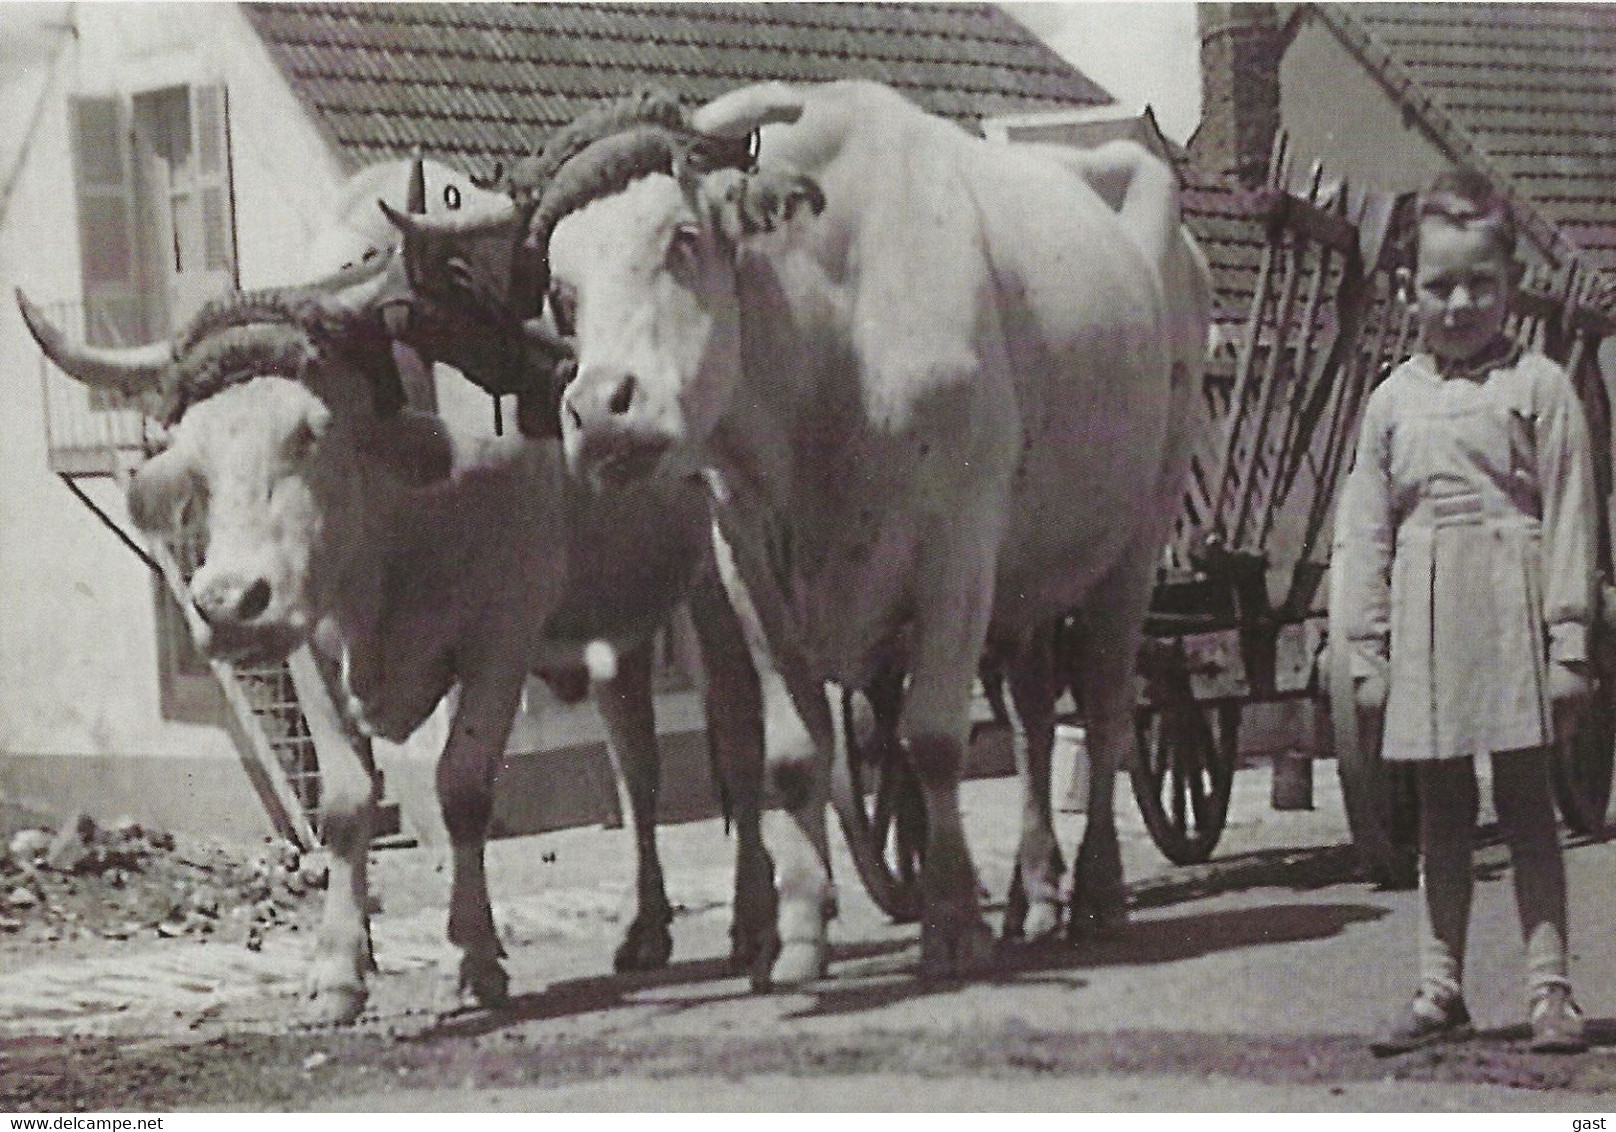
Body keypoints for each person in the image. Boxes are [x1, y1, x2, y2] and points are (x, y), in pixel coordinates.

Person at [1334, 170, 1596, 1055]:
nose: (1460, 303)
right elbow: (1365, 532)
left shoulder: (1543, 389)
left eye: (1480, 283)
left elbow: (1568, 519)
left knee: (1527, 805)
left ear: (1511, 286)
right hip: (1428, 618)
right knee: (1441, 813)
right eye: (1440, 285)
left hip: (1512, 606)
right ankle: (1439, 987)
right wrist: (1362, 650)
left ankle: (1550, 990)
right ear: (1409, 289)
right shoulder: (1390, 402)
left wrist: (1569, 643)